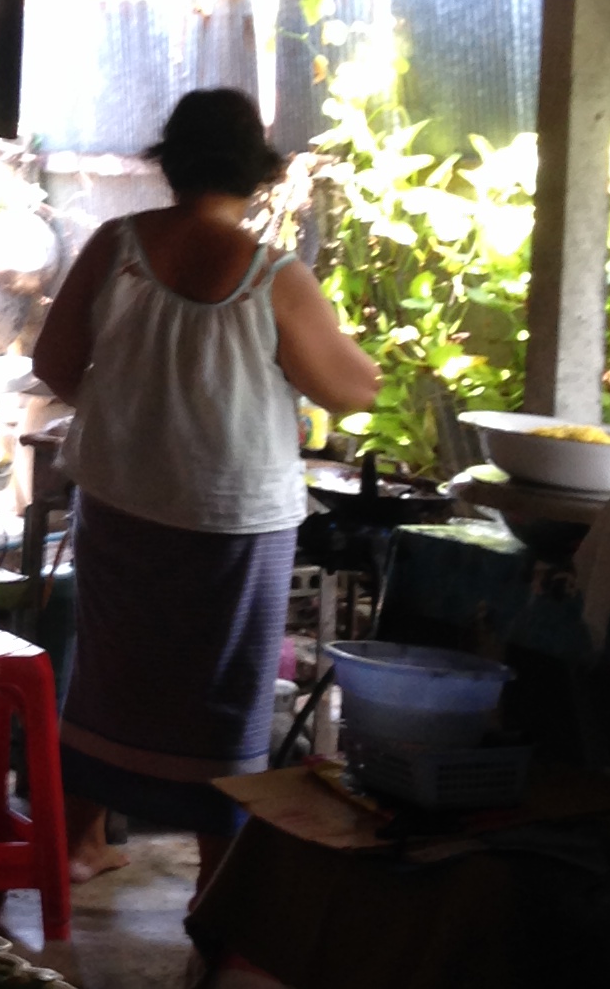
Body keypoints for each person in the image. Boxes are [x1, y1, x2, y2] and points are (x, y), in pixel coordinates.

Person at [28, 87, 380, 891]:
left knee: (111, 673)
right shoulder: (273, 274)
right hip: (232, 517)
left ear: (171, 163)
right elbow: (352, 390)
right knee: (222, 695)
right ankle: (216, 879)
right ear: (258, 171)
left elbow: (53, 363)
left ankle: (78, 842)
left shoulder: (116, 245)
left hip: (120, 501)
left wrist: (132, 408)